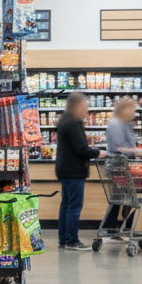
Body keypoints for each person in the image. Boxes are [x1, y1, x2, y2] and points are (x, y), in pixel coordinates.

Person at [55, 91, 104, 249]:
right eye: (85, 107)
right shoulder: (73, 123)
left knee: (66, 205)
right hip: (73, 170)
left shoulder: (65, 120)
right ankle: (72, 240)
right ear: (76, 106)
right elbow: (80, 149)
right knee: (74, 206)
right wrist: (98, 153)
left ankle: (64, 239)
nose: (86, 111)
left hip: (65, 169)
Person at [101, 97, 142, 236]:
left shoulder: (126, 123)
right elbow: (117, 147)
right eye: (132, 109)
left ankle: (119, 226)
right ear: (125, 109)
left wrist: (135, 152)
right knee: (120, 198)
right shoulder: (116, 123)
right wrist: (135, 151)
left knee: (124, 197)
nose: (134, 112)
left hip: (125, 166)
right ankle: (112, 227)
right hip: (117, 166)